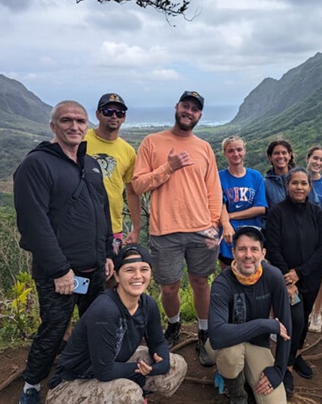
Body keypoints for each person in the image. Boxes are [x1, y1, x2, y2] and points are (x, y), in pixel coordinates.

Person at [13, 100, 114, 404]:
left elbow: (102, 212)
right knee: (54, 331)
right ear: (53, 126)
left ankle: (80, 371)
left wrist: (108, 255)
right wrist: (59, 270)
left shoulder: (91, 164)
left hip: (94, 269)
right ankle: (32, 385)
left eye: (80, 121)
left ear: (87, 126)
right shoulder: (37, 164)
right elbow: (33, 224)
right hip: (60, 274)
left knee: (94, 324)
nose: (74, 126)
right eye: (66, 120)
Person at [131, 91, 221, 367]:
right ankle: (174, 324)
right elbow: (138, 185)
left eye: (195, 109)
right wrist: (167, 168)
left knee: (200, 282)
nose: (189, 111)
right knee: (169, 287)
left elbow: (213, 189)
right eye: (185, 106)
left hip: (202, 229)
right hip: (164, 230)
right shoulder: (152, 142)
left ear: (199, 115)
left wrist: (215, 223)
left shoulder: (204, 147)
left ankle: (204, 331)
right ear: (177, 107)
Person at [47, 245, 187, 403]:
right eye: (129, 270)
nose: (138, 276)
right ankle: (128, 395)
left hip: (113, 366)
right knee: (128, 394)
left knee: (176, 365)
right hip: (71, 385)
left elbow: (158, 342)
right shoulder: (105, 310)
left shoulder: (147, 304)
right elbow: (104, 371)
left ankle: (132, 393)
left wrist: (160, 365)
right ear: (117, 276)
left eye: (144, 269)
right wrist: (141, 371)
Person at [207, 226, 292, 404]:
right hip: (226, 344)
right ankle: (238, 396)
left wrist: (279, 370)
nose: (248, 255)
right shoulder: (222, 283)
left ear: (263, 253)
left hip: (257, 345)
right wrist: (264, 325)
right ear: (233, 252)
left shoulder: (273, 276)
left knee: (275, 402)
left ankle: (243, 376)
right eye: (242, 249)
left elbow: (285, 327)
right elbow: (216, 336)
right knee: (231, 354)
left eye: (254, 249)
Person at [265, 167, 322, 395]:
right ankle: (285, 368)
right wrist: (287, 277)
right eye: (295, 183)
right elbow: (272, 247)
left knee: (301, 324)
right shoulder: (277, 212)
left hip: (308, 278)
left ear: (309, 187)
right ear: (287, 185)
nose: (299, 187)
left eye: (304, 183)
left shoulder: (316, 211)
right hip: (285, 281)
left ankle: (297, 355)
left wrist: (300, 273)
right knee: (294, 321)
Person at [84, 93, 141, 248]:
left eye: (119, 112)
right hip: (81, 222)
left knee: (111, 270)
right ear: (98, 114)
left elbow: (132, 192)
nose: (114, 116)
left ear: (124, 117)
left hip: (113, 226)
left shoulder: (128, 151)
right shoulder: (81, 139)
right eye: (108, 111)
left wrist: (136, 228)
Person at [218, 136, 268, 269]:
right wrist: (226, 222)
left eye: (239, 149)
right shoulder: (219, 177)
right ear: (225, 153)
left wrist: (229, 216)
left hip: (253, 234)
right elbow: (218, 203)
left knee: (253, 274)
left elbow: (261, 208)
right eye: (231, 151)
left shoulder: (255, 176)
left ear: (244, 151)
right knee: (229, 275)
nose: (236, 154)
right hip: (227, 236)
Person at [304, 146, 322, 333]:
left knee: (320, 275)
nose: (318, 163)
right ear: (307, 158)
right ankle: (302, 311)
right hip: (298, 238)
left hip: (320, 240)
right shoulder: (298, 178)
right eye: (315, 158)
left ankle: (316, 313)